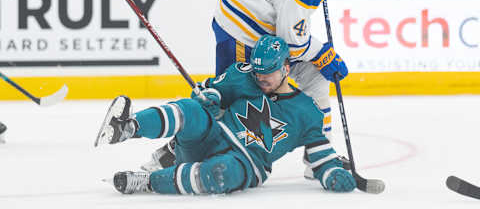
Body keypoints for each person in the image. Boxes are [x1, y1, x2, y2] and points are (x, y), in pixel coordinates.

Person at [144, 0, 351, 175]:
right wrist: (325, 54)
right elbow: (294, 44)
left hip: (248, 9)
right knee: (230, 97)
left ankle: (318, 156)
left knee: (315, 78)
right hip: (241, 29)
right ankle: (168, 155)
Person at [96, 35, 356, 195]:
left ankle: (146, 182)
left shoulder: (308, 113)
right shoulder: (245, 75)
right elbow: (212, 92)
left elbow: (321, 158)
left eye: (268, 73)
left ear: (286, 68)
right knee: (191, 110)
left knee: (219, 174)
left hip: (245, 164)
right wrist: (209, 97)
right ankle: (126, 127)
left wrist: (332, 174)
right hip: (211, 137)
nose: (261, 78)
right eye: (257, 72)